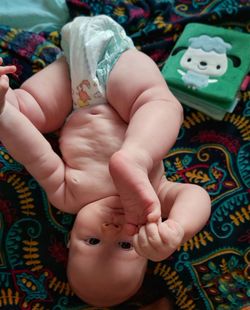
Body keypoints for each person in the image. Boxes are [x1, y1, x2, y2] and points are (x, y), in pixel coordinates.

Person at [0, 15, 211, 307]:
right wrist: (177, 228)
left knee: (29, 112)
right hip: (121, 78)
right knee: (159, 105)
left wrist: (5, 114)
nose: (111, 230)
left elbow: (33, 152)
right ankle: (137, 155)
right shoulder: (155, 197)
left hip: (75, 89)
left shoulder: (69, 195)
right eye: (125, 245)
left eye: (93, 241)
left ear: (70, 239)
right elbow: (196, 195)